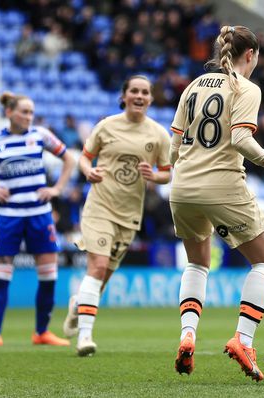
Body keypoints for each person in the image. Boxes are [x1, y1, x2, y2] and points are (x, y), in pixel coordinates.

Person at [170, 25, 264, 382]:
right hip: (222, 185)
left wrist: (171, 172)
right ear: (251, 55)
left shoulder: (193, 86)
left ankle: (188, 334)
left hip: (181, 188)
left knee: (197, 264)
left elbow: (174, 143)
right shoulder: (245, 88)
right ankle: (243, 339)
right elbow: (241, 139)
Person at [62, 75, 172, 357]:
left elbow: (168, 173)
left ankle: (78, 305)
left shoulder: (159, 135)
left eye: (144, 92)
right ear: (124, 96)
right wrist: (89, 171)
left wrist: (154, 176)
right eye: (133, 90)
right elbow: (85, 157)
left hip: (129, 215)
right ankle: (84, 338)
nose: (139, 95)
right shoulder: (106, 126)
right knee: (97, 268)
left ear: (149, 99)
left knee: (102, 278)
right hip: (99, 207)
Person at [0, 92, 75, 348]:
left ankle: (41, 332)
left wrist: (56, 189)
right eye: (24, 111)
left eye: (31, 112)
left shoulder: (41, 136)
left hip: (39, 213)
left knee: (48, 274)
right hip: (8, 215)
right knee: (1, 274)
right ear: (9, 112)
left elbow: (69, 158)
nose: (28, 116)